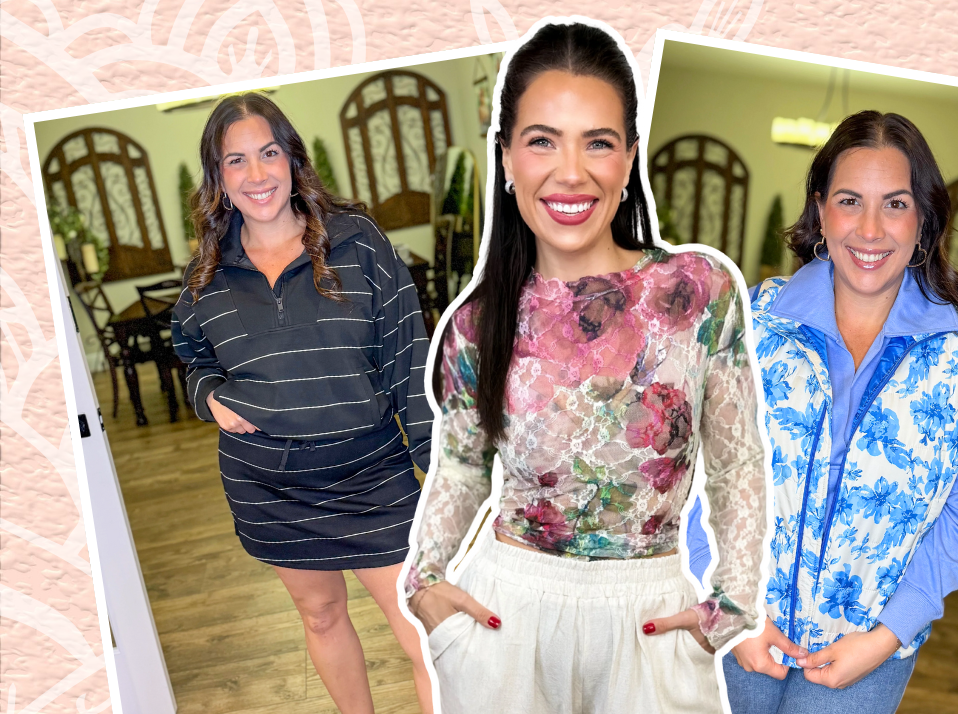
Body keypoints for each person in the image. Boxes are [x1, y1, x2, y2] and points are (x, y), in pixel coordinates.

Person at [399, 17, 768, 713]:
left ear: (628, 159)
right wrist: (423, 583)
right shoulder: (479, 324)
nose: (571, 172)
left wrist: (735, 601)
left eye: (597, 143)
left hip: (652, 620)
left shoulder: (697, 293)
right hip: (510, 617)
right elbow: (461, 466)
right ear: (506, 157)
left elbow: (738, 460)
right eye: (542, 141)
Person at [725, 109, 958, 713]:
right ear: (821, 212)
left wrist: (888, 634)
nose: (871, 229)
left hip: (868, 652)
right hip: (742, 623)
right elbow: (701, 466)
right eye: (850, 201)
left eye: (896, 204)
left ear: (924, 221)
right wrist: (731, 604)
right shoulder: (755, 321)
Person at [171, 92, 435, 713]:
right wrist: (208, 395)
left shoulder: (357, 242)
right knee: (319, 616)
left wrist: (445, 474)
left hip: (374, 475)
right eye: (236, 161)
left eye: (268, 153)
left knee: (427, 637)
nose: (256, 175)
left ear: (292, 157)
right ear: (218, 177)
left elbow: (409, 357)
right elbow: (192, 356)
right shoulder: (206, 274)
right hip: (269, 484)